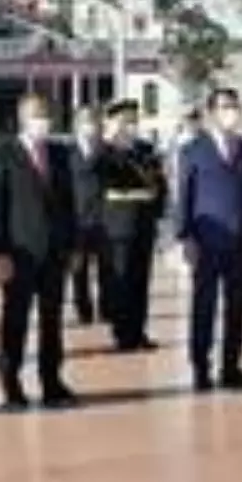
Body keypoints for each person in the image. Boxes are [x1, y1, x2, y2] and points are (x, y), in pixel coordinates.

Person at [0, 93, 80, 410]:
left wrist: (73, 246)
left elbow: (70, 205)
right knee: (16, 319)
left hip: (54, 252)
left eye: (48, 115)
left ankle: (51, 380)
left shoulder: (59, 153)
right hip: (19, 252)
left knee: (52, 320)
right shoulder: (5, 153)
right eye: (39, 115)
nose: (45, 121)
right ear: (24, 117)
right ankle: (11, 383)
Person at [174, 88, 242, 392]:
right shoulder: (193, 149)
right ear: (211, 112)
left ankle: (231, 366)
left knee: (237, 307)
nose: (232, 113)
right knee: (204, 306)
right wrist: (184, 237)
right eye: (225, 107)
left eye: (235, 107)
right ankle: (200, 366)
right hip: (207, 241)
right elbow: (184, 196)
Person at [98, 98, 167, 351]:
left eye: (133, 121)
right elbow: (98, 172)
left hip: (143, 222)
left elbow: (159, 184)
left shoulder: (145, 149)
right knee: (121, 281)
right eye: (125, 122)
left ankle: (139, 330)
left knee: (141, 280)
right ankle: (122, 332)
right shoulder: (106, 151)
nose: (131, 127)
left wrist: (157, 212)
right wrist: (108, 140)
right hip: (118, 223)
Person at [70, 105, 106, 325]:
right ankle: (83, 309)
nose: (89, 126)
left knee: (106, 269)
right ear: (76, 126)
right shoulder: (68, 153)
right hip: (77, 219)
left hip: (102, 218)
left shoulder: (105, 150)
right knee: (78, 269)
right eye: (84, 122)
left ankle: (106, 308)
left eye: (92, 121)